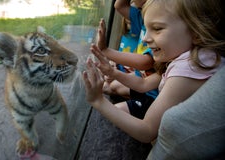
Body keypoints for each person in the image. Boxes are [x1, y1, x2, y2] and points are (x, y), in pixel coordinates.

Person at [83, 0, 225, 144]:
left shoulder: (188, 70)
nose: (145, 39)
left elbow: (147, 131)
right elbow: (144, 84)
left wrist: (98, 101)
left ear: (196, 32)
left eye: (157, 28)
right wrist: (113, 73)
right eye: (146, 29)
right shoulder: (199, 56)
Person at [98, 0, 158, 119]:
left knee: (115, 112)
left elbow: (146, 62)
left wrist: (106, 51)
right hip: (141, 81)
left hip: (152, 94)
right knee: (110, 86)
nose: (146, 38)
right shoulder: (144, 17)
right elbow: (119, 5)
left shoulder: (159, 21)